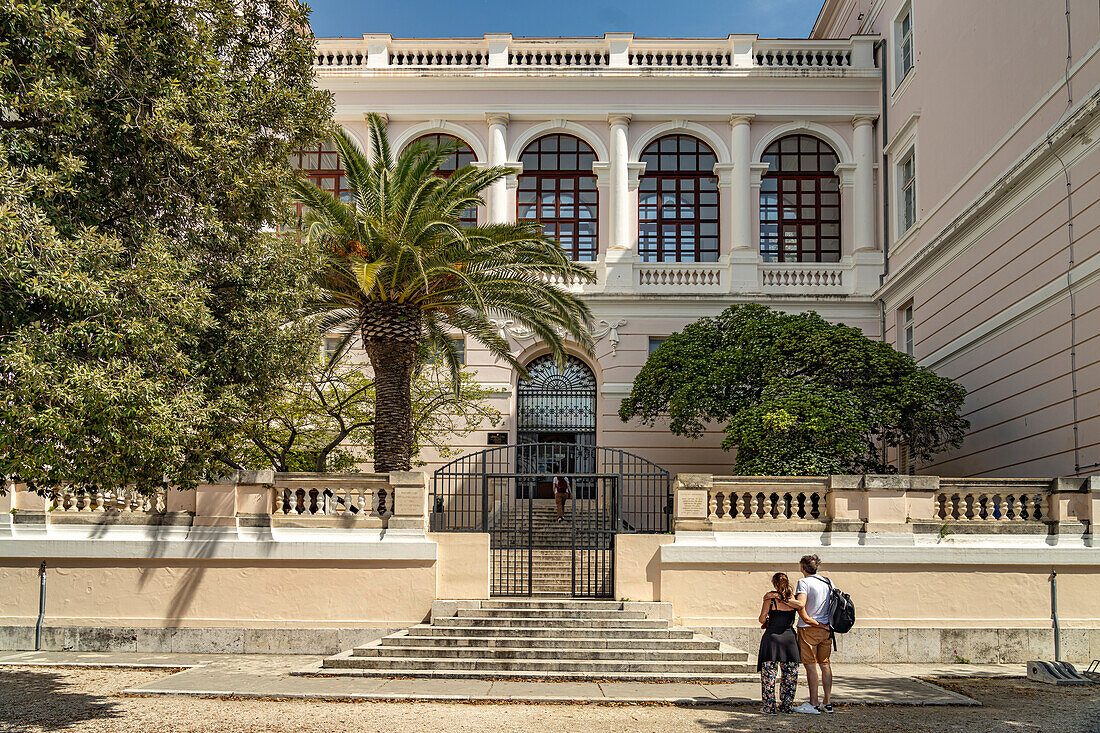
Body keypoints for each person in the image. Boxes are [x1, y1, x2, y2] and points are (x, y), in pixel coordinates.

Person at [793, 554, 834, 714]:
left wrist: (789, 600)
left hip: (808, 628)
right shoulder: (828, 581)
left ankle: (813, 703)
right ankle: (828, 702)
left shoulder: (803, 582)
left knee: (810, 666)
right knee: (825, 664)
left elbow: (801, 604)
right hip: (827, 629)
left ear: (802, 567)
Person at [756, 572, 802, 714]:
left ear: (774, 584)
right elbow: (800, 606)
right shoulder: (793, 599)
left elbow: (762, 619)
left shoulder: (770, 599)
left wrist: (774, 597)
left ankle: (769, 707)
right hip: (789, 639)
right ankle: (787, 705)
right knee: (789, 675)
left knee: (769, 675)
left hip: (772, 638)